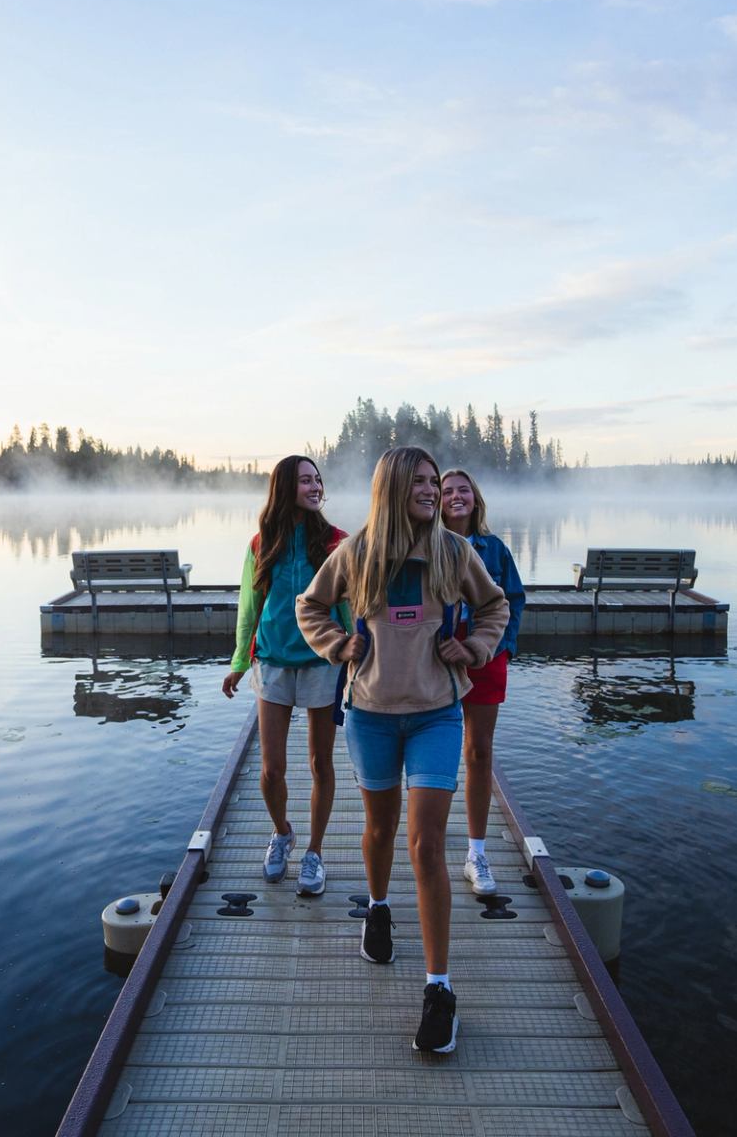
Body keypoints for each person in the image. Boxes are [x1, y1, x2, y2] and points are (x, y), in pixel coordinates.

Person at [297, 445, 508, 1054]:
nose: (432, 488)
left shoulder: (453, 550)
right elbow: (309, 605)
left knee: (426, 844)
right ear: (392, 487)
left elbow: (494, 605)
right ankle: (381, 908)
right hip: (370, 716)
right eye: (420, 480)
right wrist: (339, 646)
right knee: (380, 830)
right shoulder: (357, 553)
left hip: (438, 715)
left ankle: (439, 990)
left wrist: (474, 650)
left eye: (435, 480)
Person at [222, 455, 349, 896]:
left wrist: (354, 657)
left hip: (322, 665)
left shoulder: (338, 542)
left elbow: (350, 608)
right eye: (305, 481)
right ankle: (282, 833)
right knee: (271, 770)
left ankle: (314, 851)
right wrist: (241, 662)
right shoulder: (262, 544)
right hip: (272, 661)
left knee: (319, 763)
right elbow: (248, 609)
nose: (315, 487)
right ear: (284, 489)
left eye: (318, 480)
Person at [438, 469, 525, 897]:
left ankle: (476, 852)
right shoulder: (425, 545)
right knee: (434, 749)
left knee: (477, 751)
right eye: (447, 490)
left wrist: (499, 647)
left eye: (463, 490)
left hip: (484, 660)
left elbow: (512, 600)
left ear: (476, 499)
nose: (456, 496)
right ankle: (430, 832)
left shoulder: (494, 549)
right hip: (434, 663)